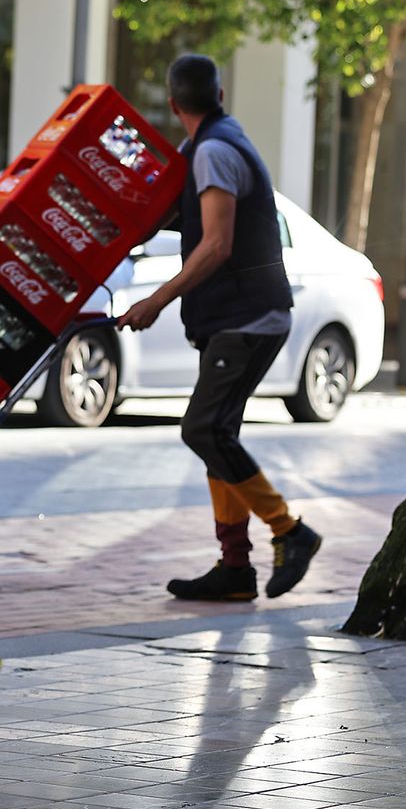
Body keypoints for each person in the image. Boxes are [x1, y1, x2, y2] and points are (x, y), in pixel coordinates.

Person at [117, 54, 322, 600]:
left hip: (249, 318)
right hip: (235, 317)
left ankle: (290, 532)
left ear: (173, 102)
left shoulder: (214, 151)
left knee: (204, 430)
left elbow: (216, 244)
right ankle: (235, 568)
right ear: (221, 94)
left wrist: (155, 300)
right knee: (217, 435)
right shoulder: (207, 145)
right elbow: (174, 213)